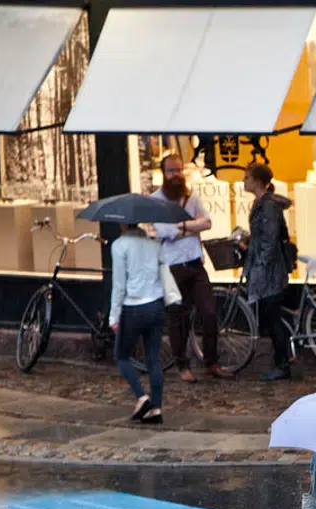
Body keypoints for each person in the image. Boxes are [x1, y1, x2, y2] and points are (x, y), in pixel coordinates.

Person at [152, 154, 229, 383]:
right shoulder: (155, 201)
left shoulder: (191, 197)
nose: (175, 175)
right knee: (178, 318)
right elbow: (165, 232)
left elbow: (207, 222)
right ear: (163, 173)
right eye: (170, 171)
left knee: (210, 313)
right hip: (172, 266)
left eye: (178, 170)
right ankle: (182, 365)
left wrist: (183, 226)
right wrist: (189, 228)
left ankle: (211, 362)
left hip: (195, 264)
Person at [109, 222, 166, 425]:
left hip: (133, 307)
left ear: (122, 223)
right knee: (153, 359)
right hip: (156, 306)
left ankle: (142, 398)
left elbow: (119, 284)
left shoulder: (119, 245)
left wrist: (113, 315)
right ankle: (156, 408)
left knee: (121, 356)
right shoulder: (155, 244)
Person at [242, 163, 295, 382]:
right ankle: (283, 359)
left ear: (257, 181)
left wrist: (261, 264)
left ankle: (282, 364)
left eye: (246, 178)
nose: (243, 181)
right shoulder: (261, 204)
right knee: (272, 315)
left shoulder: (268, 206)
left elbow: (270, 239)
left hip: (271, 271)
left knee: (273, 317)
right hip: (266, 268)